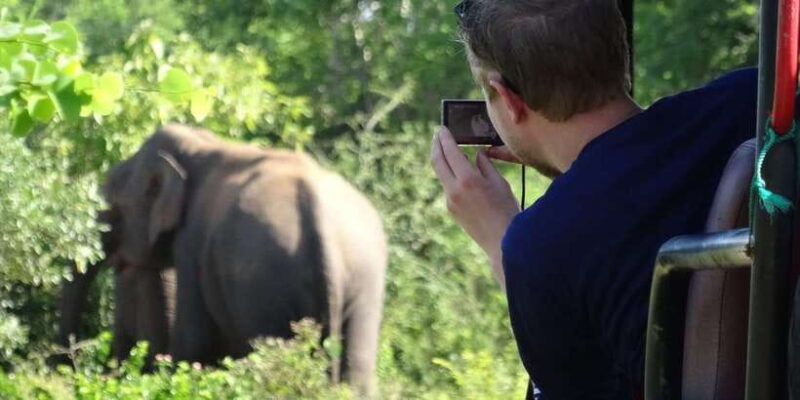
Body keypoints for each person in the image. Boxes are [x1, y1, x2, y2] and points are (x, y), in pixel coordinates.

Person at [429, 0, 757, 398]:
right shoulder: (753, 97)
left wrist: (501, 243)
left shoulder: (541, 246)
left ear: (508, 100)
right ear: (616, 45)